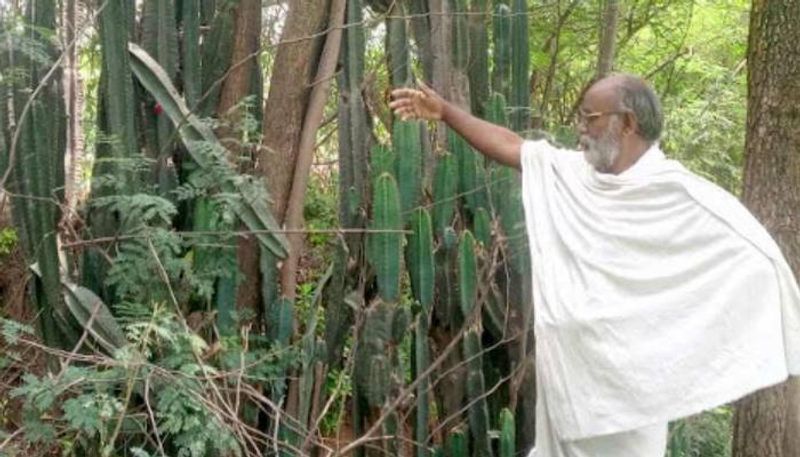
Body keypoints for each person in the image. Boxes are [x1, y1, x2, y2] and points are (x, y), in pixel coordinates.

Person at [389, 74, 800, 457]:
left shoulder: (676, 193)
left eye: (590, 118)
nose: (580, 129)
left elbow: (760, 259)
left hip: (629, 400)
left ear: (628, 123)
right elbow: (511, 146)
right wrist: (445, 112)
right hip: (567, 386)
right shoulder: (573, 174)